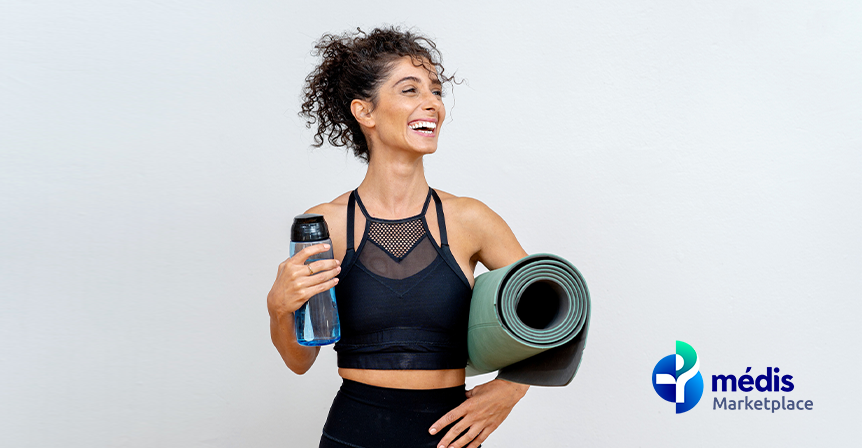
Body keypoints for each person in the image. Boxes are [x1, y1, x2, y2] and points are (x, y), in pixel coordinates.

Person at [267, 27, 530, 448]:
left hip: (449, 437)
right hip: (351, 434)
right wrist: (278, 308)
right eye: (410, 90)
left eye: (436, 91)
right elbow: (300, 361)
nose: (433, 103)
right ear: (365, 112)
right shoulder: (325, 224)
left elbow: (557, 317)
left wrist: (510, 390)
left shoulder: (470, 219)